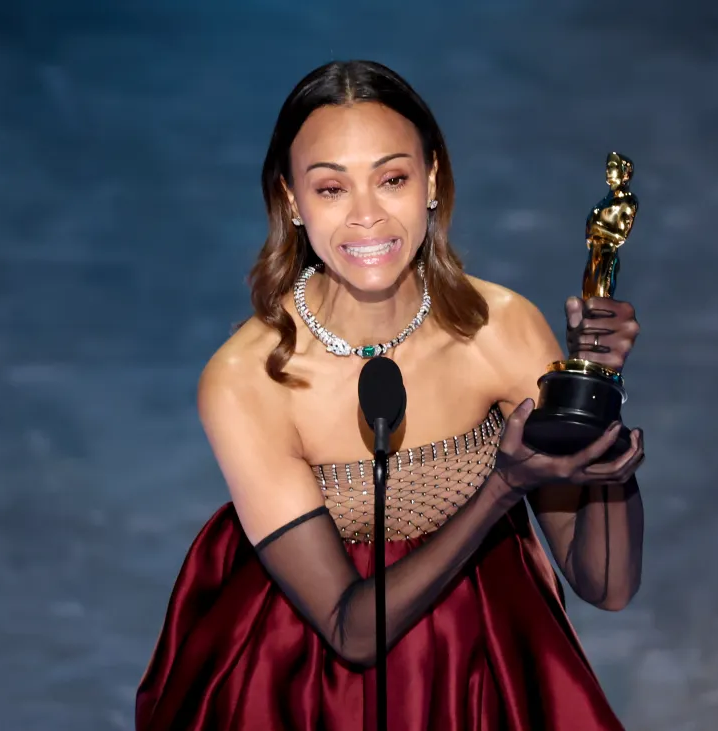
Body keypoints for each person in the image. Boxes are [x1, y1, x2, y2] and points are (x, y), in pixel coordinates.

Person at [135, 60, 645, 731]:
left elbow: (605, 583)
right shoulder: (247, 379)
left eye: (392, 178)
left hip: (479, 672)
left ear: (431, 180)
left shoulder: (501, 328)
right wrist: (499, 489)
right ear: (292, 201)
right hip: (307, 689)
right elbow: (350, 631)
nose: (367, 216)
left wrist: (598, 395)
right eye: (331, 188)